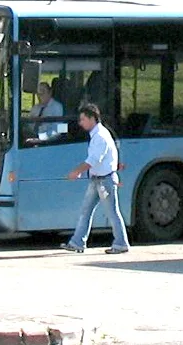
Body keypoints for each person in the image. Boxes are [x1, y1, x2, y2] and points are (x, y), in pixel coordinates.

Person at [60, 104, 130, 254]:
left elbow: (93, 160)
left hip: (105, 181)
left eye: (83, 119)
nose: (80, 123)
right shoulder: (98, 135)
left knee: (112, 212)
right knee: (86, 211)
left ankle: (121, 243)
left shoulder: (100, 137)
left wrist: (76, 172)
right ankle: (77, 242)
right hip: (97, 180)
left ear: (92, 119)